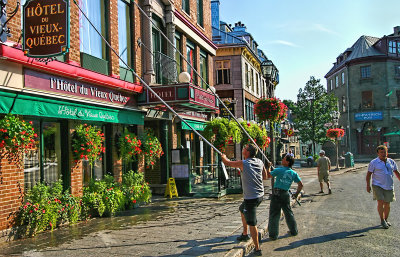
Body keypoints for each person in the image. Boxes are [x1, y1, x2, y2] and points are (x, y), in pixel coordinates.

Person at [221, 144, 267, 256]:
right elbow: (265, 176)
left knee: (252, 223)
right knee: (242, 209)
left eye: (244, 148)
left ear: (247, 152)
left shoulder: (244, 163)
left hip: (251, 198)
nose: (243, 149)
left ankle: (257, 249)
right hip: (259, 195)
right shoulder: (259, 162)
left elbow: (228, 163)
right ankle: (245, 234)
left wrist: (223, 157)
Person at [267, 154, 303, 241]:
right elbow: (300, 185)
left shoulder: (279, 170)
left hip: (277, 194)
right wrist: (296, 194)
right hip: (285, 194)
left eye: (283, 159)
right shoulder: (293, 173)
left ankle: (273, 235)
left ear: (287, 162)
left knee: (274, 214)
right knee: (288, 213)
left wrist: (268, 167)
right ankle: (294, 231)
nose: (282, 160)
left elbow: (268, 175)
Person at [366, 145, 400, 229]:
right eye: (381, 152)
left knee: (387, 204)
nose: (383, 154)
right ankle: (382, 220)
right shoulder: (373, 162)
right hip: (378, 185)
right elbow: (368, 175)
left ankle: (386, 219)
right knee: (380, 202)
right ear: (378, 153)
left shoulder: (391, 162)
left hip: (389, 185)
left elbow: (396, 172)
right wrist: (368, 185)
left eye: (385, 152)